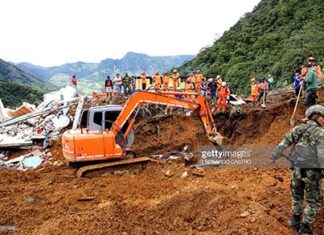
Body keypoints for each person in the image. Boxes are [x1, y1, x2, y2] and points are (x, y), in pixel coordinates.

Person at [269, 105, 324, 235]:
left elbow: (282, 145)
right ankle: (305, 229)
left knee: (297, 196)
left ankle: (295, 222)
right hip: (312, 173)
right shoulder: (320, 133)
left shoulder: (297, 129)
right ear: (316, 116)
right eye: (323, 117)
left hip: (297, 170)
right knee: (313, 200)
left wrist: (273, 157)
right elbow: (322, 155)